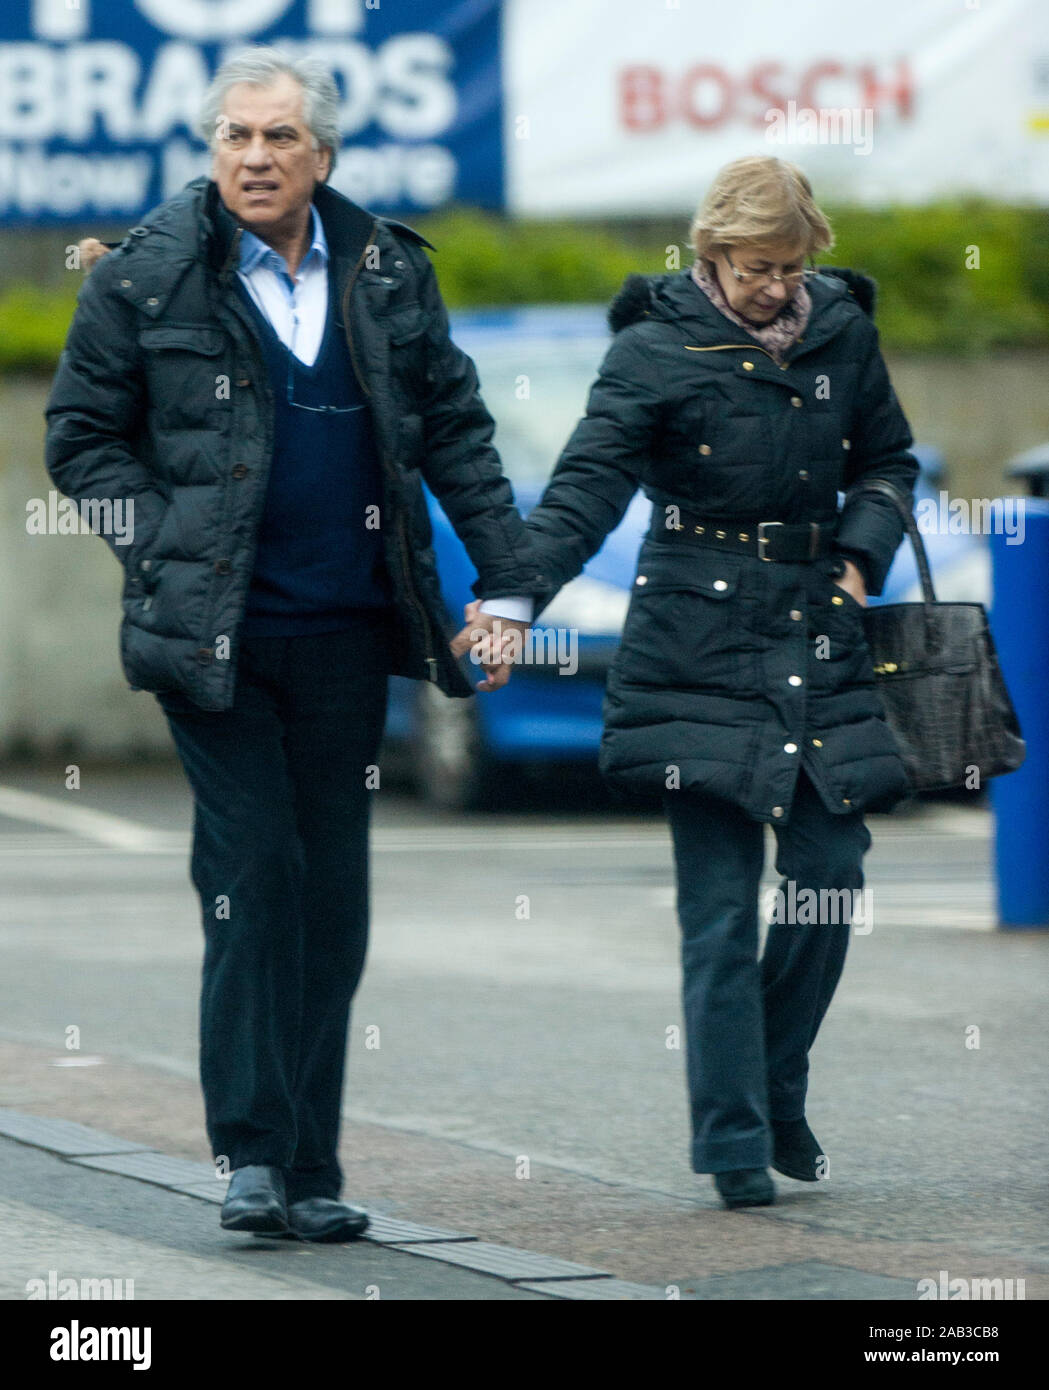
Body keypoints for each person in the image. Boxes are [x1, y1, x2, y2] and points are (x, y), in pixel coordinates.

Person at [45, 47, 538, 1241]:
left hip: (346, 633)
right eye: (233, 137)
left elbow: (459, 434)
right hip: (211, 641)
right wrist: (167, 542)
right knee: (253, 879)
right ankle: (252, 1156)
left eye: (277, 139)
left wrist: (511, 587)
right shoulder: (145, 278)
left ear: (322, 153)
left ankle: (310, 1168)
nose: (254, 158)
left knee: (331, 902)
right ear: (210, 148)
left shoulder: (387, 273)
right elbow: (79, 445)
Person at [466, 155, 918, 1209]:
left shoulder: (839, 329)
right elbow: (582, 489)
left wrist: (858, 553)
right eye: (754, 267)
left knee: (828, 873)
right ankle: (731, 1137)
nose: (775, 287)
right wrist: (512, 604)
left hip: (817, 627)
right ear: (710, 253)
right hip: (694, 641)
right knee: (715, 913)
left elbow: (887, 459)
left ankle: (772, 1077)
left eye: (790, 267)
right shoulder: (651, 350)